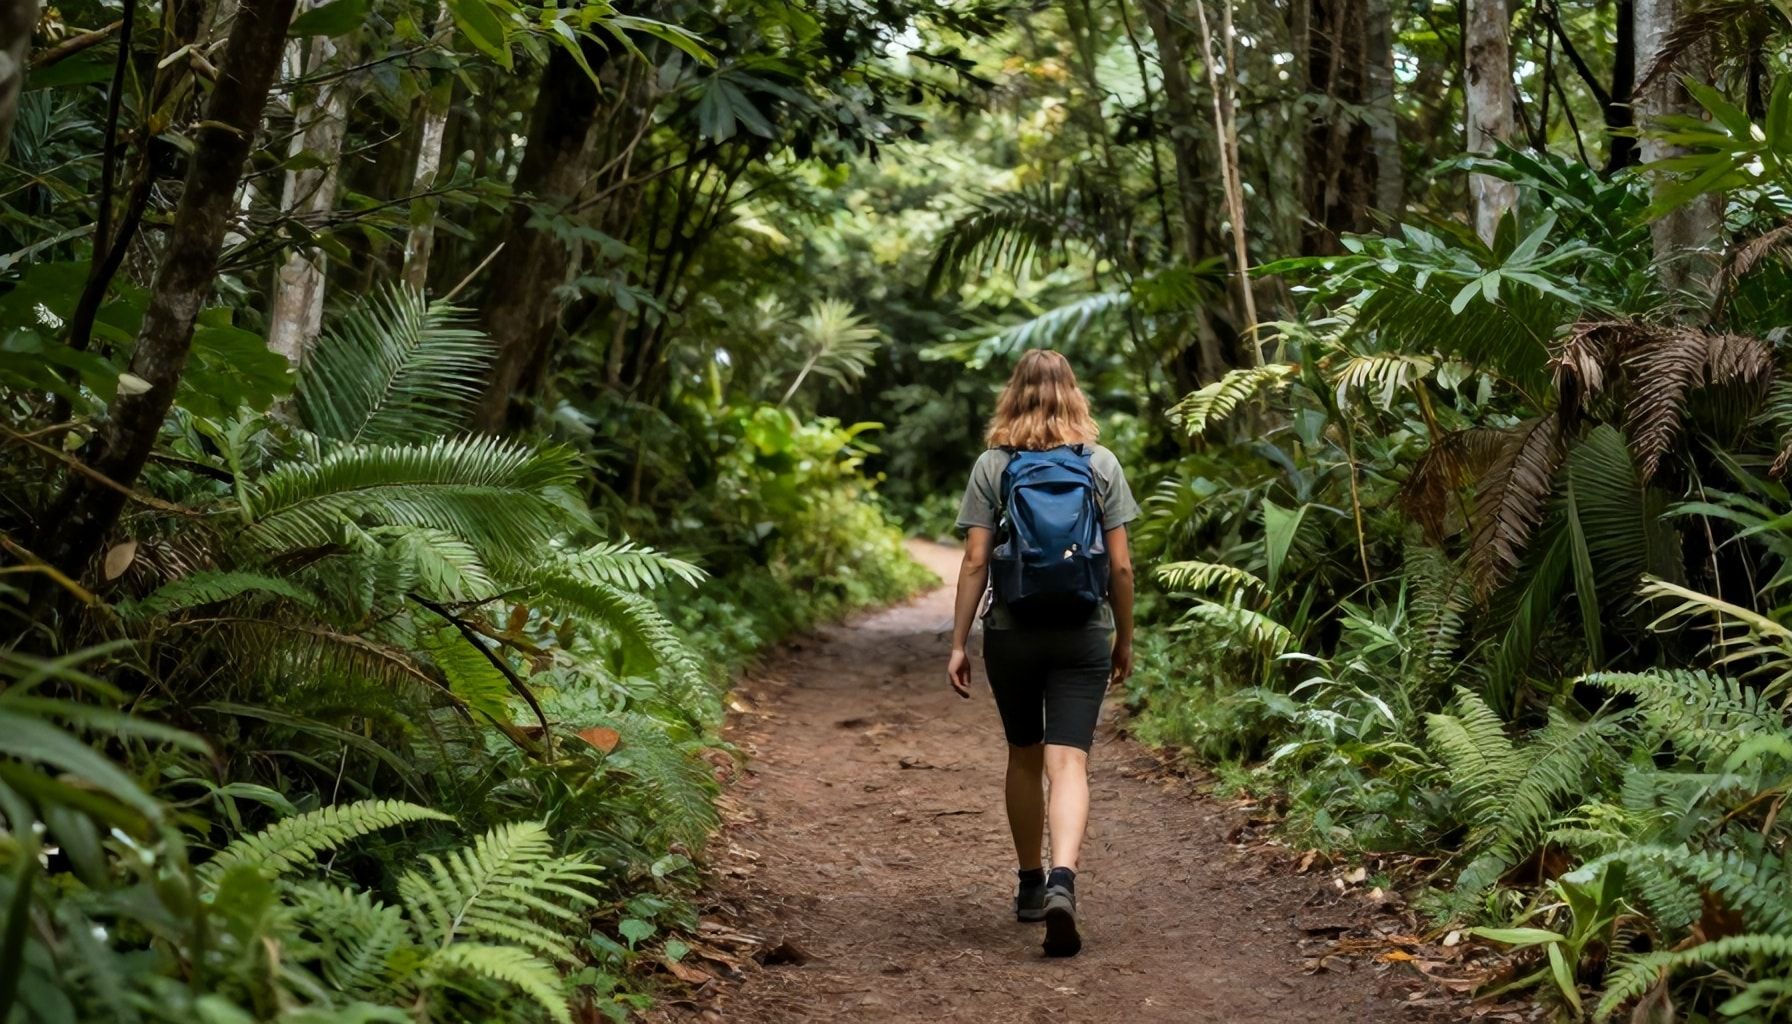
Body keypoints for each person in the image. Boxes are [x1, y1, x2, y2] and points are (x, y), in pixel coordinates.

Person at [946, 348, 1139, 958]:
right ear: (1074, 394)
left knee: (1024, 756)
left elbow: (976, 560)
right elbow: (1123, 566)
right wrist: (1124, 637)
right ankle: (1064, 881)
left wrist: (958, 643)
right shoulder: (1099, 462)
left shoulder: (993, 465)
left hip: (1013, 630)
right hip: (1084, 629)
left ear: (1013, 394)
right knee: (1070, 762)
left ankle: (1031, 885)